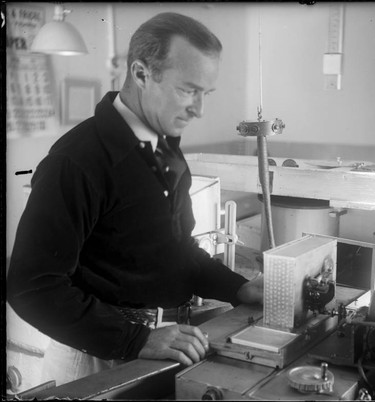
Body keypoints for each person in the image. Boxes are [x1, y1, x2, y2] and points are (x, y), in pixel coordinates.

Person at [7, 12, 263, 386]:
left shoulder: (163, 147)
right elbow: (31, 286)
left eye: (205, 93)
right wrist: (137, 338)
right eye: (188, 90)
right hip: (98, 357)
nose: (199, 109)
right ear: (142, 74)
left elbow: (178, 249)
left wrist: (235, 286)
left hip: (160, 344)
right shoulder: (77, 160)